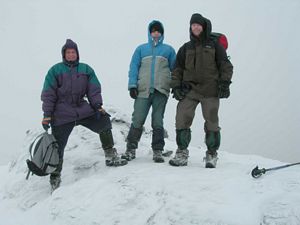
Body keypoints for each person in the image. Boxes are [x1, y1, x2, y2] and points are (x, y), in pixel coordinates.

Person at [41, 39, 127, 190]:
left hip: (82, 109)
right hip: (62, 113)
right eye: (68, 52)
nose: (71, 54)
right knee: (58, 146)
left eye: (73, 52)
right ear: (64, 54)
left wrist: (98, 106)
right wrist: (47, 115)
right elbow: (49, 94)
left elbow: (93, 89)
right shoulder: (55, 70)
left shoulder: (86, 69)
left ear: (77, 54)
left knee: (104, 121)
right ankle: (55, 176)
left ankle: (110, 155)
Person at [169, 13, 233, 168]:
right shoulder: (185, 48)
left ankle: (211, 154)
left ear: (203, 27)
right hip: (190, 90)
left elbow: (226, 65)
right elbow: (177, 69)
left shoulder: (214, 45)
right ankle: (182, 153)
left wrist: (224, 84)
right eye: (193, 25)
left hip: (210, 90)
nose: (195, 27)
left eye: (198, 25)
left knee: (212, 122)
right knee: (181, 117)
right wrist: (176, 86)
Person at [122, 20, 176, 163]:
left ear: (162, 33)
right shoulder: (141, 49)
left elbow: (175, 70)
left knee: (158, 121)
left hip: (161, 90)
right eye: (153, 31)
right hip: (142, 90)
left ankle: (157, 151)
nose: (156, 33)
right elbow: (133, 67)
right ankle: (130, 149)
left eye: (158, 31)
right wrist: (132, 85)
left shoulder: (168, 50)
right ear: (149, 32)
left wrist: (176, 86)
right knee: (138, 119)